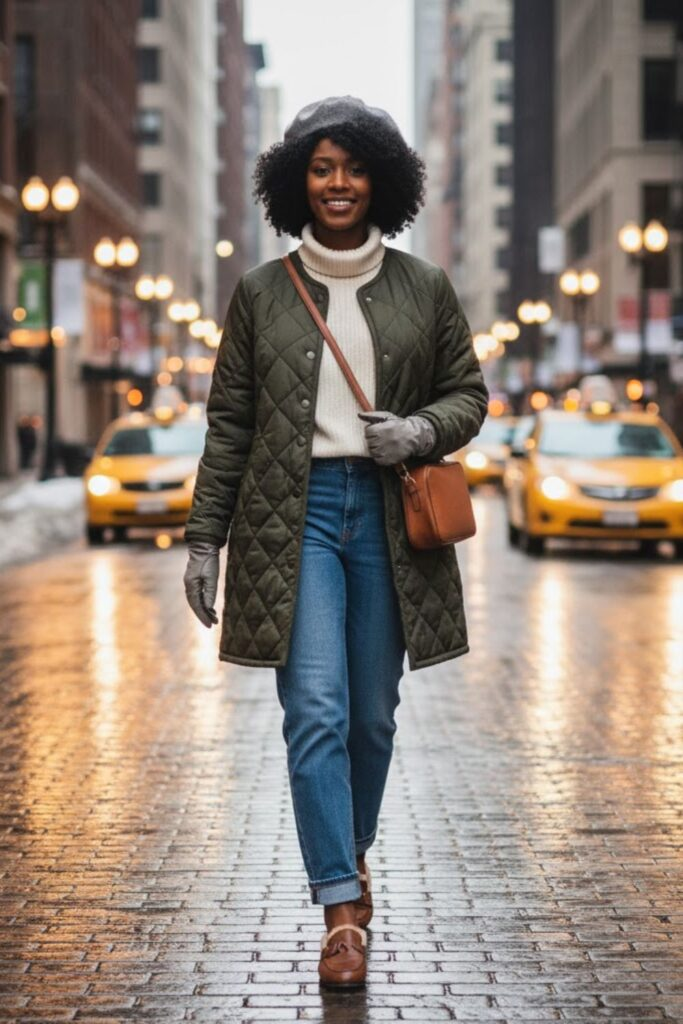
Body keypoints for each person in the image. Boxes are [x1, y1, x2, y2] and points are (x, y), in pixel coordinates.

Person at [183, 95, 488, 988]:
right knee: (312, 710)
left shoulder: (423, 288)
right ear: (296, 183)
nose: (338, 183)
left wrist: (420, 432)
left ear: (380, 180)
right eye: (321, 168)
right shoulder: (260, 294)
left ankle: (348, 848)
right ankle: (339, 911)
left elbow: (467, 394)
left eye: (353, 167)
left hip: (389, 519)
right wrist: (205, 540)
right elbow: (229, 423)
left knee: (370, 714)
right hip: (296, 514)